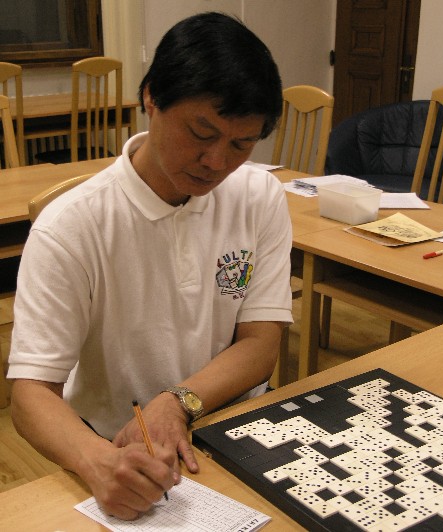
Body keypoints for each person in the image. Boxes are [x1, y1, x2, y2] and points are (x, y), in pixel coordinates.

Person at [8, 11, 292, 520]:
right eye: (201, 132)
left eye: (240, 144)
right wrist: (97, 461)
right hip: (117, 444)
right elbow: (31, 392)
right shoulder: (71, 226)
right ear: (151, 99)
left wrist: (177, 401)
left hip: (231, 422)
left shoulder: (259, 195)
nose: (216, 162)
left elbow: (261, 343)